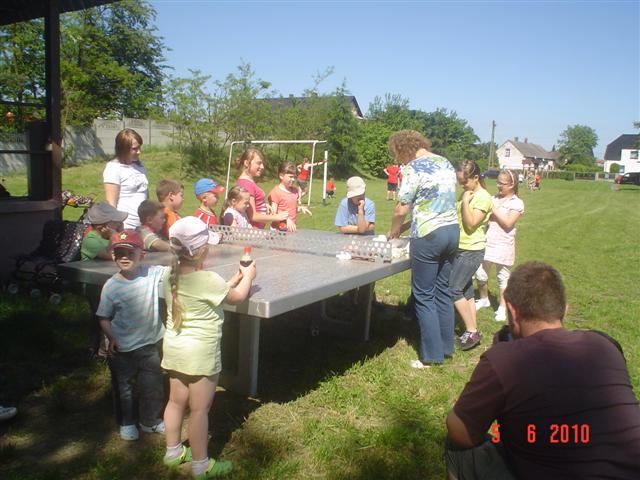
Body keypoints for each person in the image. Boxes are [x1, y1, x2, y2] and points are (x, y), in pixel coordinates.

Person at [445, 261, 640, 480]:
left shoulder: (505, 358)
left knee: (457, 448)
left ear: (512, 311)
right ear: (564, 310)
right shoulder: (605, 345)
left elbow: (460, 432)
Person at [161, 217, 256, 478]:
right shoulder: (209, 279)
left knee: (175, 402)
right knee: (199, 410)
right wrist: (248, 277)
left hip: (174, 350)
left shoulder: (170, 276)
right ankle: (201, 465)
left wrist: (233, 278)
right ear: (203, 250)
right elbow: (236, 299)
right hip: (200, 354)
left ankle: (173, 452)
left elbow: (206, 294)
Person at [388, 130, 458, 368]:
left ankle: (431, 356)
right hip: (452, 231)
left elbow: (401, 207)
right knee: (443, 291)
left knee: (423, 294)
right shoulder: (445, 161)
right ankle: (447, 348)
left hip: (429, 235)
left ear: (402, 149)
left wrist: (395, 229)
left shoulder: (413, 168)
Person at [96, 230, 167, 441]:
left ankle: (150, 421)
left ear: (142, 255)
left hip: (149, 346)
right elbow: (103, 317)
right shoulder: (111, 286)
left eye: (129, 253)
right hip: (122, 349)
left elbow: (175, 270)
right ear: (113, 256)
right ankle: (126, 422)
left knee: (152, 386)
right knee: (124, 389)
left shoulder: (151, 273)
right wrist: (111, 337)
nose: (124, 257)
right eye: (119, 253)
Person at [452, 160, 493, 351]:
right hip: (460, 247)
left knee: (453, 289)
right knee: (466, 290)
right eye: (460, 181)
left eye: (465, 181)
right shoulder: (467, 192)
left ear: (476, 178)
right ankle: (472, 329)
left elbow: (470, 224)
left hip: (472, 250)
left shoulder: (483, 197)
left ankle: (471, 331)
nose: (462, 185)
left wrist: (466, 202)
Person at [475, 170, 524, 321]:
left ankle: (502, 308)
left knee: (503, 277)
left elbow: (508, 223)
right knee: (480, 273)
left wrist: (493, 208)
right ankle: (484, 299)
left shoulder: (516, 203)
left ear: (512, 185)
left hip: (504, 243)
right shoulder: (493, 198)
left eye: (502, 183)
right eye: (498, 182)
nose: (498, 186)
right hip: (487, 241)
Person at [103, 128, 148, 229]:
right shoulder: (113, 168)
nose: (139, 152)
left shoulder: (140, 166)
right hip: (126, 226)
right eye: (134, 149)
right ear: (123, 148)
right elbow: (111, 204)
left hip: (142, 226)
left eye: (139, 147)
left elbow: (145, 193)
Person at [236, 148, 288, 229]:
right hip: (253, 232)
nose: (262, 167)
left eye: (262, 164)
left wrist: (263, 205)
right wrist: (277, 217)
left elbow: (252, 204)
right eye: (259, 163)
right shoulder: (246, 183)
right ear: (246, 163)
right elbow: (253, 216)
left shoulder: (249, 181)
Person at [269, 161, 312, 232]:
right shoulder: (276, 192)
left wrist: (299, 208)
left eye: (294, 177)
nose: (293, 179)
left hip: (291, 229)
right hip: (278, 230)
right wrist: (286, 219)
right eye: (290, 177)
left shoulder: (295, 191)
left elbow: (291, 209)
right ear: (281, 176)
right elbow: (273, 213)